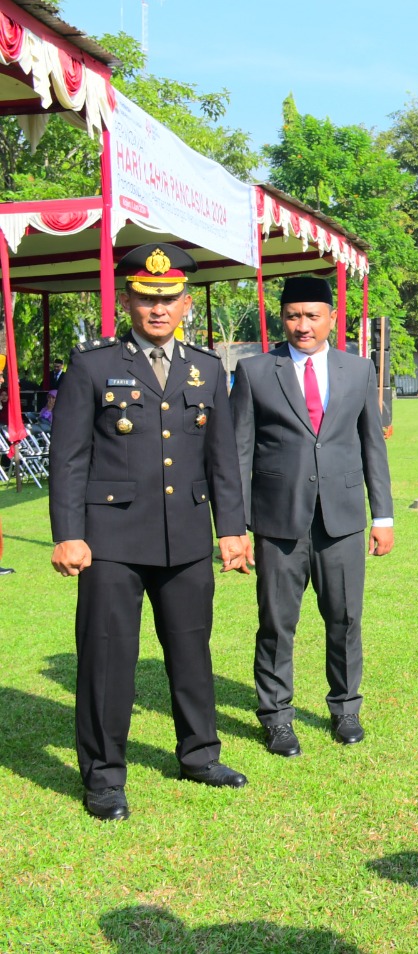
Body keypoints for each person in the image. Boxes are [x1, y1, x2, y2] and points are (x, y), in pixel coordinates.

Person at [47, 243, 252, 822]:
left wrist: (231, 530)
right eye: (145, 298)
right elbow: (68, 459)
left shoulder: (206, 368)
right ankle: (105, 777)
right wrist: (68, 533)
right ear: (128, 300)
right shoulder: (92, 365)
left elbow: (221, 461)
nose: (157, 309)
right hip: (110, 538)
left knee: (192, 651)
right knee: (108, 659)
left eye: (167, 299)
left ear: (186, 302)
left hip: (185, 535)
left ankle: (199, 754)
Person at [230, 277, 395, 757]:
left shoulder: (358, 370)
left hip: (341, 519)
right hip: (277, 520)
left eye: (312, 315)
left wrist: (382, 515)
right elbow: (241, 450)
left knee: (345, 618)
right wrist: (236, 525)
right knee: (277, 623)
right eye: (293, 315)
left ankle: (346, 707)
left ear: (332, 318)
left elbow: (372, 446)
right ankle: (277, 717)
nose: (303, 325)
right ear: (282, 317)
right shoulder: (257, 371)